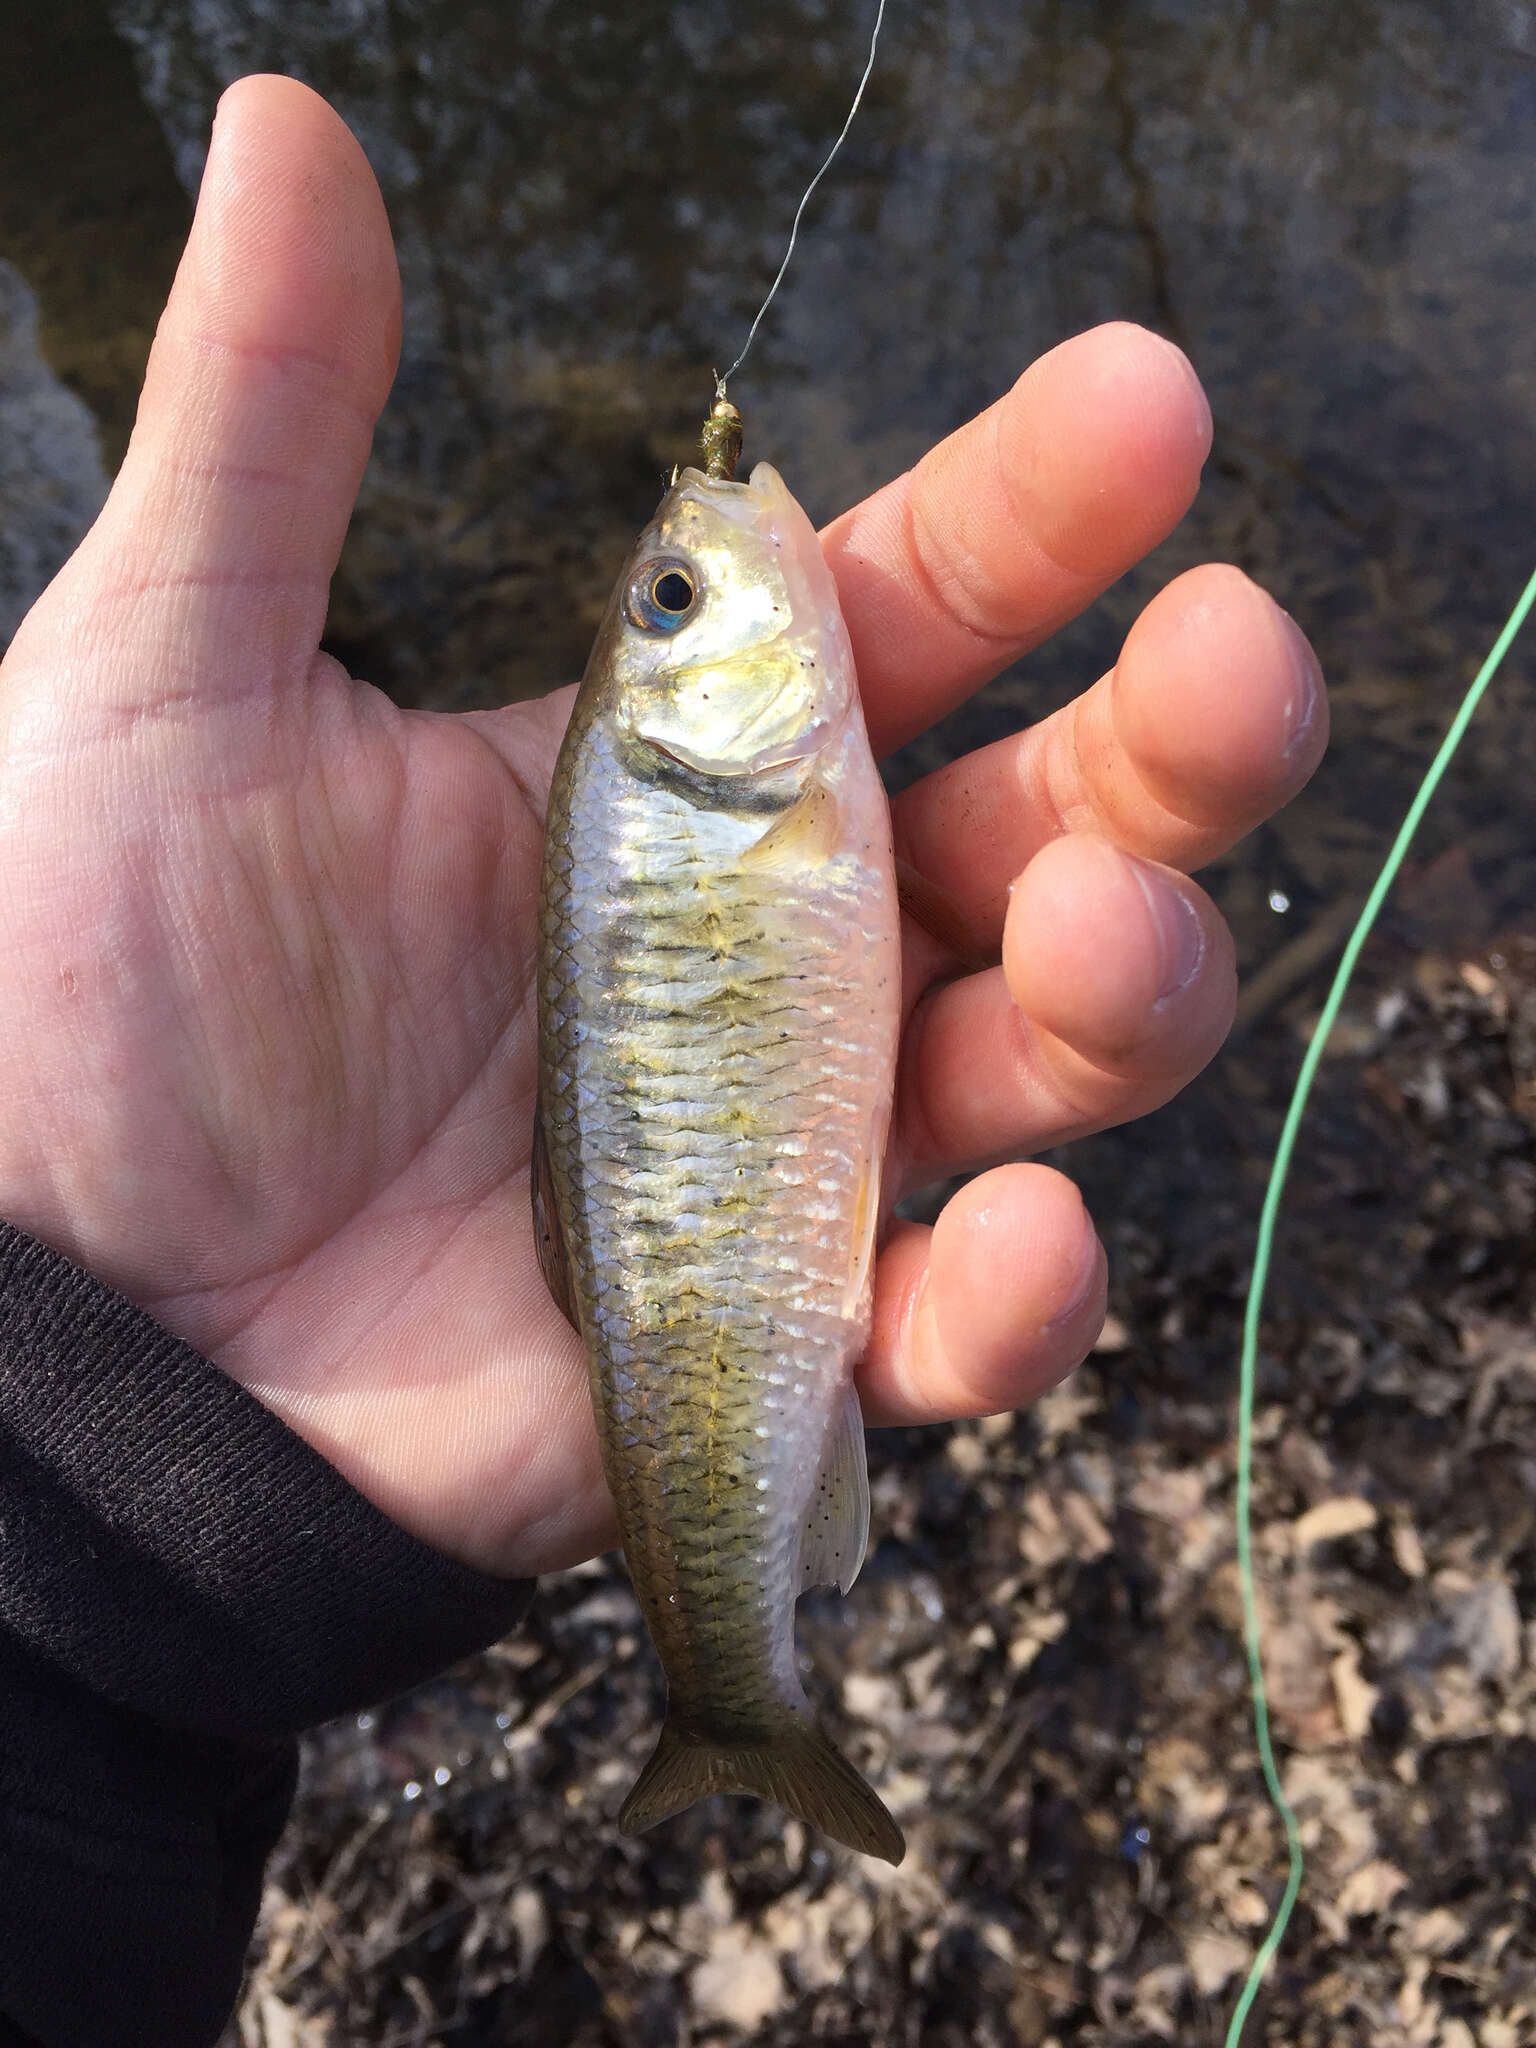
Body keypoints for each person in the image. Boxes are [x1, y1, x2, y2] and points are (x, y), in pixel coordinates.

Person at [0, 74, 1325, 2048]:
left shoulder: (739, 784)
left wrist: (92, 1576)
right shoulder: (730, 782)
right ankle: (737, 1692)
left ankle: (743, 1687)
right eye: (674, 601)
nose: (697, 559)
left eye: (668, 599)